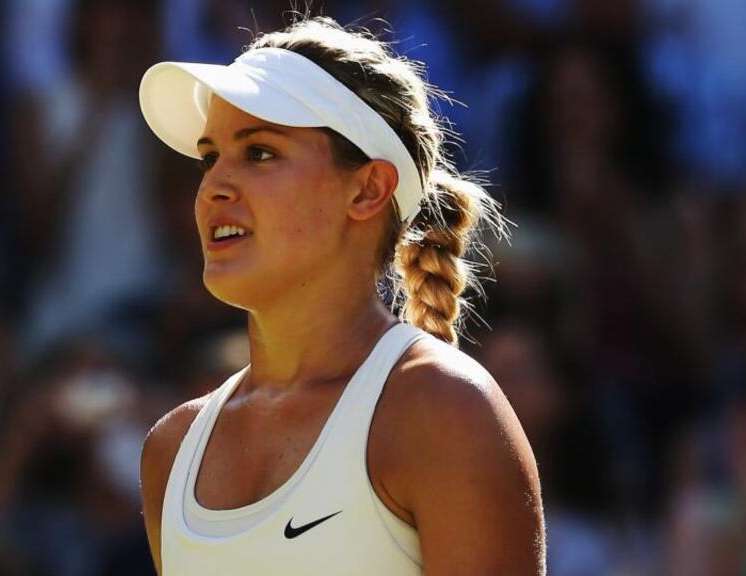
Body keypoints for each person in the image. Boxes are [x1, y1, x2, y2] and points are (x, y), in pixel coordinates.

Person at [138, 16, 545, 575]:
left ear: (368, 188)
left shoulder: (444, 411)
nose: (213, 187)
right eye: (209, 158)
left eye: (259, 153)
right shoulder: (172, 450)